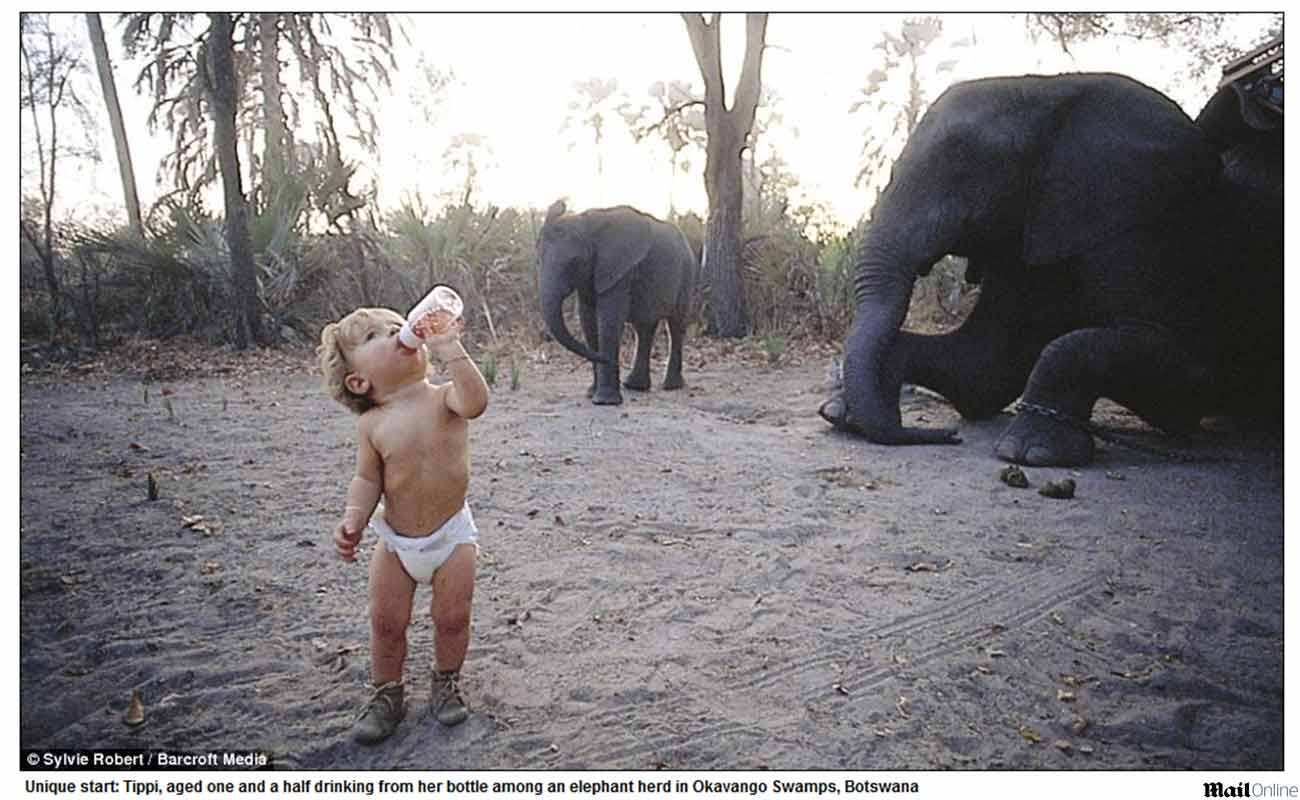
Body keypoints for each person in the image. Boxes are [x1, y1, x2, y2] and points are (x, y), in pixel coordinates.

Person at [316, 305, 489, 745]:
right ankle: (387, 693)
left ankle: (446, 681)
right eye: (378, 335)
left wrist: (451, 348)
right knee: (386, 622)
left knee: (453, 616)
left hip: (452, 536)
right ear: (359, 382)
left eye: (399, 325)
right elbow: (367, 478)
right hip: (395, 543)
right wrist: (354, 518)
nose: (400, 332)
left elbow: (476, 402)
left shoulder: (443, 396)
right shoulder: (372, 424)